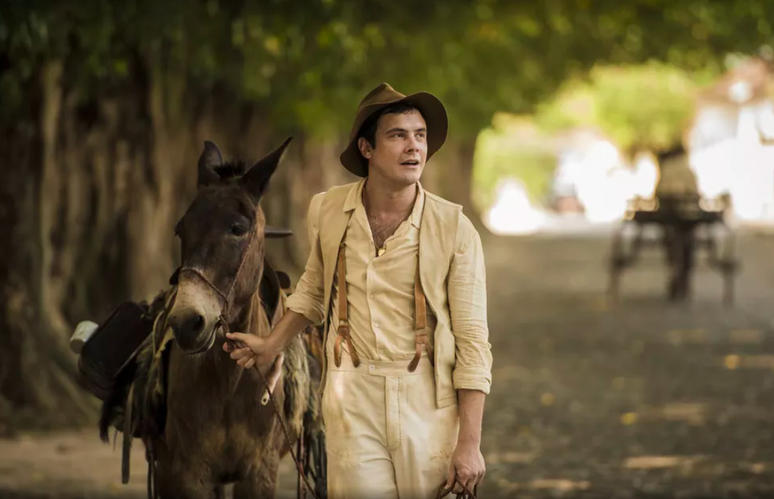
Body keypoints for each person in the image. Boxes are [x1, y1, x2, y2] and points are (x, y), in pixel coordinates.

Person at [224, 82, 493, 498]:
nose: (413, 147)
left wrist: (470, 443)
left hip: (429, 400)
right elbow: (314, 289)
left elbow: (473, 341)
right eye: (398, 135)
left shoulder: (454, 228)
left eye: (419, 136)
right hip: (351, 395)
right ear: (366, 149)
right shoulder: (328, 209)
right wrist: (270, 344)